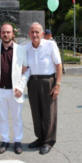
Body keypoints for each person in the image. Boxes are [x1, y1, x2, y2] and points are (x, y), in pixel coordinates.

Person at [0, 22, 29, 155]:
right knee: (2, 117)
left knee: (17, 118)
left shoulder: (21, 50)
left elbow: (26, 70)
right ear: (0, 34)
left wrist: (21, 87)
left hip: (15, 91)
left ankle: (18, 141)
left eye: (8, 32)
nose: (6, 34)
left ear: (13, 34)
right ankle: (4, 141)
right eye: (3, 32)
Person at [25, 22, 63, 155]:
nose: (35, 34)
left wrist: (57, 85)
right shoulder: (26, 48)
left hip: (48, 82)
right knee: (36, 113)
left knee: (48, 113)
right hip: (33, 83)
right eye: (32, 32)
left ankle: (48, 141)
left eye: (37, 32)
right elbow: (24, 66)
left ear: (42, 34)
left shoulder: (50, 45)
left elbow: (58, 65)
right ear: (29, 34)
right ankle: (40, 138)